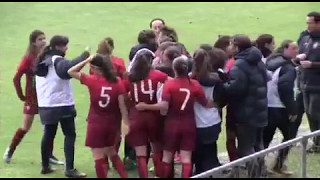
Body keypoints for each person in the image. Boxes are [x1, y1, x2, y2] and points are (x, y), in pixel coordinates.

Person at [136, 56, 213, 178]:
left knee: (167, 156)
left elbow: (164, 105)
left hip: (171, 125)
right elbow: (206, 103)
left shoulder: (169, 84)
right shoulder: (194, 84)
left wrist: (145, 105)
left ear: (174, 69)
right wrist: (219, 101)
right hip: (188, 124)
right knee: (186, 158)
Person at [3, 30, 63, 165]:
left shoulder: (48, 56)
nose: (43, 41)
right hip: (32, 99)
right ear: (33, 43)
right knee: (25, 127)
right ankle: (10, 150)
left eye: (44, 38)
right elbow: (16, 78)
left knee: (48, 128)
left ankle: (49, 156)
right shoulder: (28, 59)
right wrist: (21, 96)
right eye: (40, 39)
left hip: (46, 97)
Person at [34, 35, 89, 177]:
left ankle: (45, 166)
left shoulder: (41, 61)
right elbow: (67, 70)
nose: (67, 48)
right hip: (62, 104)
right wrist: (85, 56)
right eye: (65, 46)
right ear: (58, 47)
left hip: (46, 105)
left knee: (48, 134)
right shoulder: (57, 60)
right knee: (70, 134)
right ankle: (69, 169)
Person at [67, 54, 128, 178]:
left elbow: (71, 71)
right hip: (112, 124)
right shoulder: (117, 81)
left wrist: (86, 60)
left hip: (96, 123)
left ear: (94, 68)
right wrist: (126, 123)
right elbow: (123, 106)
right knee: (111, 151)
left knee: (98, 157)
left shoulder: (91, 80)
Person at [224, 35, 268, 178]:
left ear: (237, 47)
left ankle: (254, 175)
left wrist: (223, 84)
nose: (229, 47)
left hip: (245, 114)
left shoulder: (239, 65)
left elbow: (236, 89)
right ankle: (261, 173)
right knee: (258, 145)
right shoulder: (258, 61)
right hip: (260, 111)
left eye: (231, 44)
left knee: (246, 148)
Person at [123, 50, 168, 178]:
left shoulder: (129, 77)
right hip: (154, 116)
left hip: (136, 116)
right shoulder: (157, 74)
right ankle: (160, 174)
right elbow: (171, 82)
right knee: (156, 148)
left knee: (140, 152)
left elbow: (124, 96)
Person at [263, 40, 298, 175]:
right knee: (290, 136)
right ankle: (278, 164)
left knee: (265, 139)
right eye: (293, 48)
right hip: (280, 107)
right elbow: (285, 88)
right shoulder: (288, 68)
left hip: (266, 105)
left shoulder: (270, 61)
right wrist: (292, 109)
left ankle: (260, 166)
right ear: (284, 49)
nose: (296, 51)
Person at [190, 49, 225, 174]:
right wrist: (215, 104)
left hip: (196, 123)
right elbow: (222, 99)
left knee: (198, 157)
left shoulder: (190, 80)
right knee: (210, 153)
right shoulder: (217, 79)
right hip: (213, 120)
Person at [296, 11, 320, 153]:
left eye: (310, 23)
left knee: (317, 114)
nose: (308, 26)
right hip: (305, 83)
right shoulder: (306, 38)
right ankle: (317, 143)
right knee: (310, 114)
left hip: (318, 85)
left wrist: (312, 64)